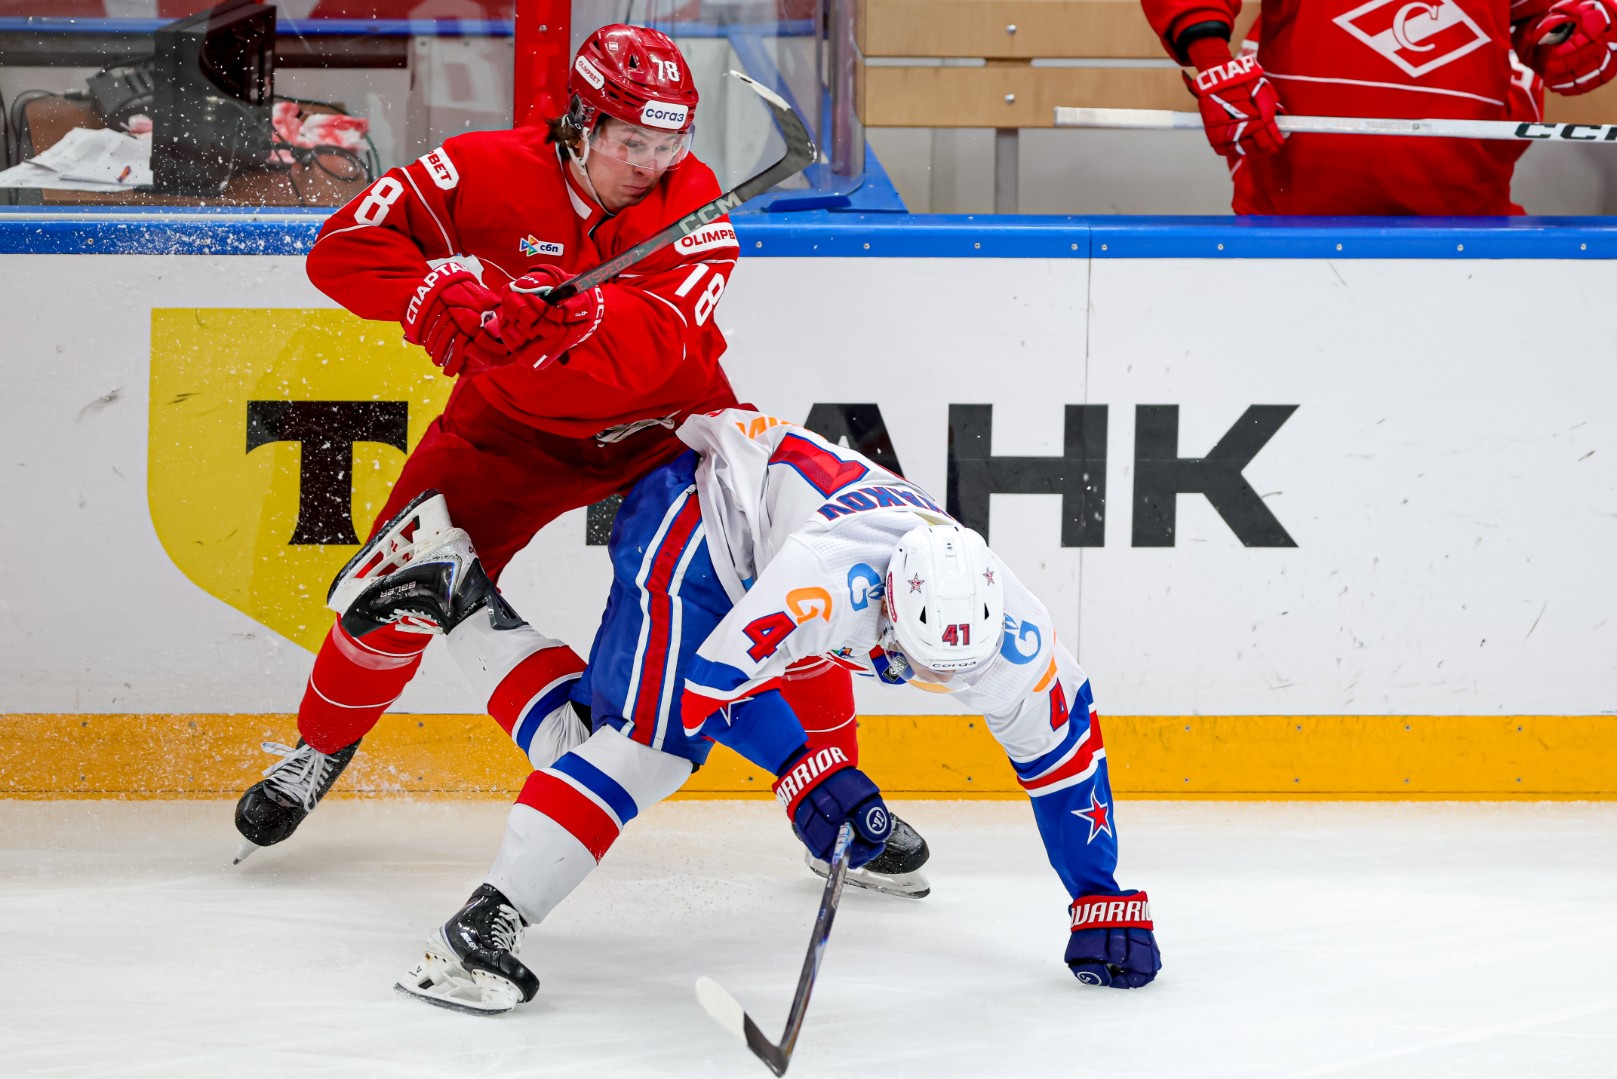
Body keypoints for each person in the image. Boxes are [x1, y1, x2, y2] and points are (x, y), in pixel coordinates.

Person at [231, 24, 931, 894]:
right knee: (389, 583)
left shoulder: (694, 200)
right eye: (631, 140)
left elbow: (660, 342)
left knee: (784, 579)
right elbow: (344, 245)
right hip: (509, 429)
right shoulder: (480, 169)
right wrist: (431, 293)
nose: (652, 163)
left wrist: (561, 320)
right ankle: (319, 748)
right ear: (579, 122)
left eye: (669, 142)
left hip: (669, 429)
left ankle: (835, 806)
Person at [335, 409, 1160, 1013]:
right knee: (643, 748)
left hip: (766, 531)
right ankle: (474, 932)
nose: (926, 678)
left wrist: (1099, 894)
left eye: (950, 672)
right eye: (910, 658)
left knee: (608, 742)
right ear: (885, 605)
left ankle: (454, 591)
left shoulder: (1012, 635)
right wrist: (807, 774)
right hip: (696, 525)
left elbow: (1065, 759)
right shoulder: (828, 585)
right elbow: (711, 689)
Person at [1142, 0, 1609, 214]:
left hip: (1469, 226)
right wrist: (1211, 59)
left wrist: (1582, 29)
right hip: (1292, 224)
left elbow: (1552, 16)